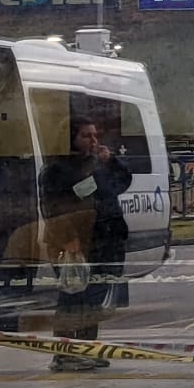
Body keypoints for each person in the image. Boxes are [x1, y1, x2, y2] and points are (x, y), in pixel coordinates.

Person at [38, 116, 132, 372]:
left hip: (104, 238)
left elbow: (122, 183)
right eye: (85, 136)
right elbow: (55, 207)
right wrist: (69, 239)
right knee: (72, 298)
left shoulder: (98, 164)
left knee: (94, 300)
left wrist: (111, 161)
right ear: (71, 140)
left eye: (94, 135)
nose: (93, 141)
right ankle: (65, 352)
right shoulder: (57, 170)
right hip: (75, 243)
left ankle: (87, 348)